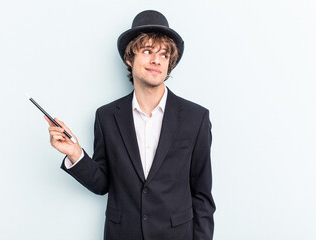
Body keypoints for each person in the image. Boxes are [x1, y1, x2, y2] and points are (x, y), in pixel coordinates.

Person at [45, 10, 215, 240]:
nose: (157, 60)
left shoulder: (196, 118)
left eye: (164, 55)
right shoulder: (106, 117)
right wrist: (75, 154)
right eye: (147, 51)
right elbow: (102, 184)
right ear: (129, 58)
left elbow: (202, 196)